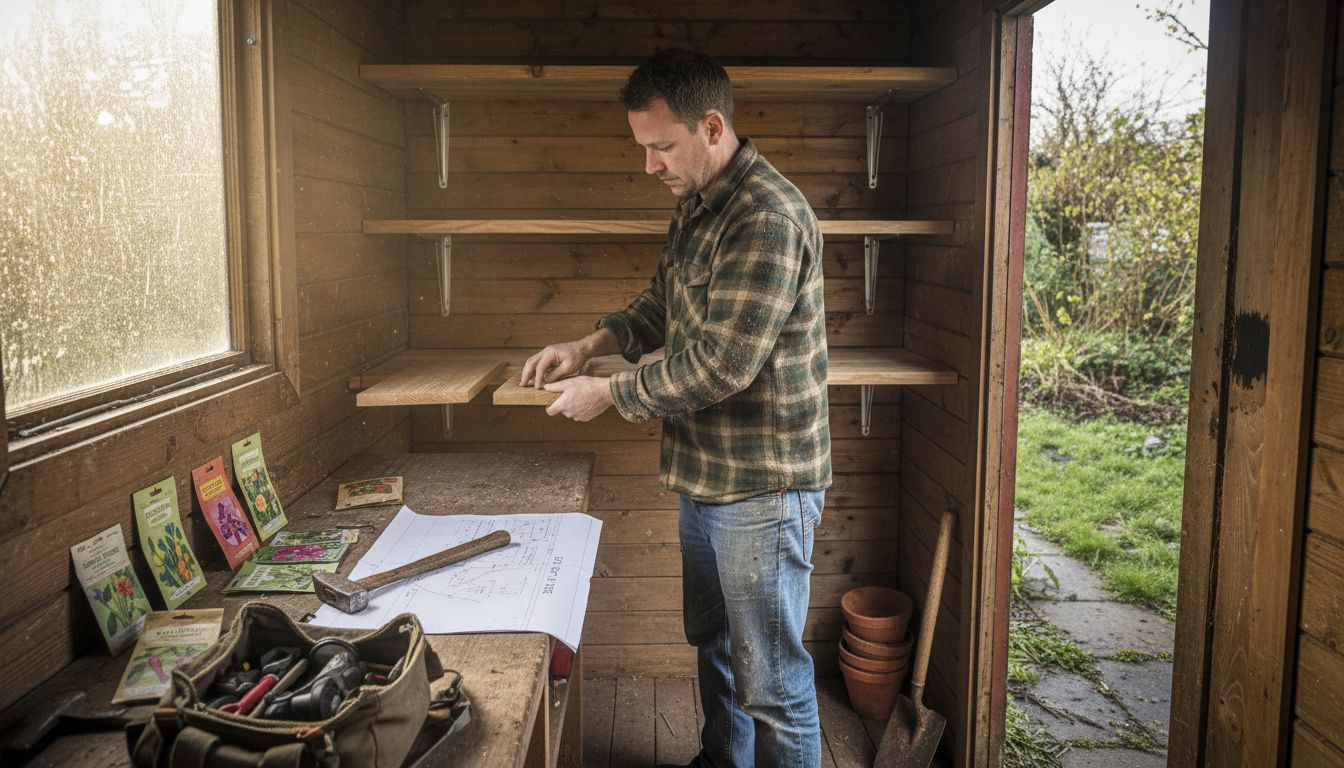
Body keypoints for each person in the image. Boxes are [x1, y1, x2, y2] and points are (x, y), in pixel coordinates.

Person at [520, 48, 830, 768]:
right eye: (644, 148)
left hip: (764, 487)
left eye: (662, 147)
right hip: (705, 475)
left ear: (712, 127)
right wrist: (588, 344)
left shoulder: (767, 218)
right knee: (716, 647)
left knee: (774, 685)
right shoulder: (696, 206)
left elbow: (723, 364)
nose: (650, 166)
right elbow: (661, 305)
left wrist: (609, 392)